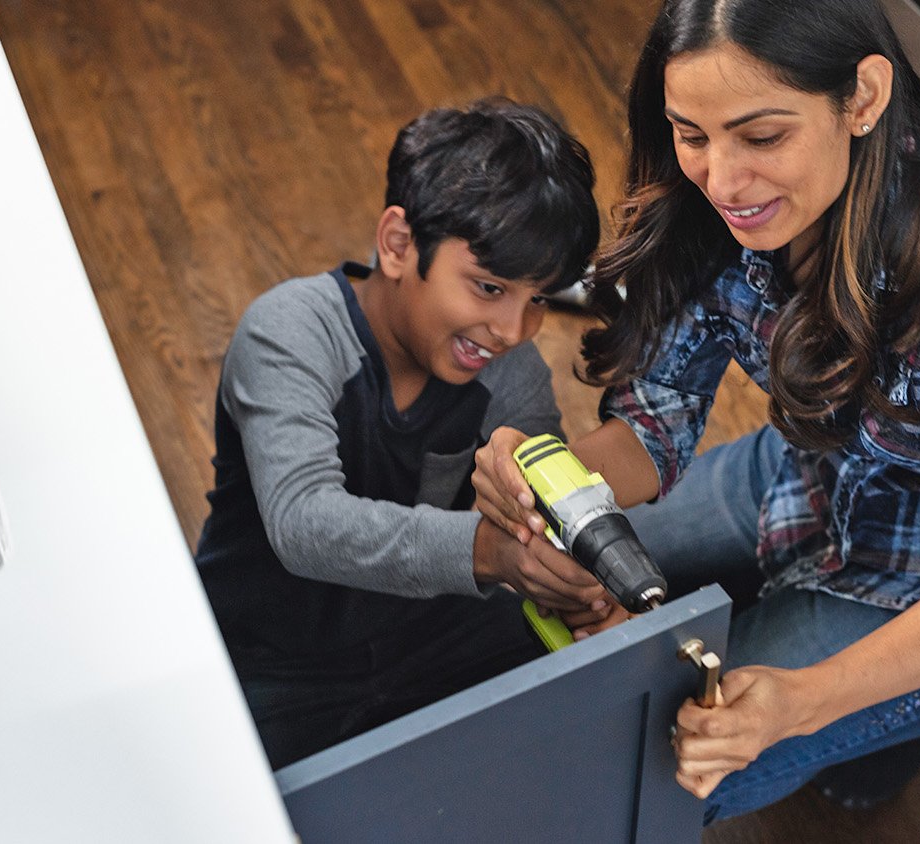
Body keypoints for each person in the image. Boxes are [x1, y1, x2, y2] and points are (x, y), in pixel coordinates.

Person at [472, 0, 920, 823]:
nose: (721, 181)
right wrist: (548, 493)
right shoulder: (708, 191)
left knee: (649, 778)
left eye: (762, 137)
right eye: (692, 134)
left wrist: (802, 702)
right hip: (815, 474)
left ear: (863, 97)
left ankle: (905, 703)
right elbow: (655, 420)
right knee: (505, 595)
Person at [195, 98, 609, 769]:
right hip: (267, 656)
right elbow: (304, 522)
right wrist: (490, 551)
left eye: (537, 299)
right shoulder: (290, 332)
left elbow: (534, 521)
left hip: (432, 633)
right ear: (397, 244)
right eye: (488, 287)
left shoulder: (511, 372)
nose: (513, 330)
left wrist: (575, 585)